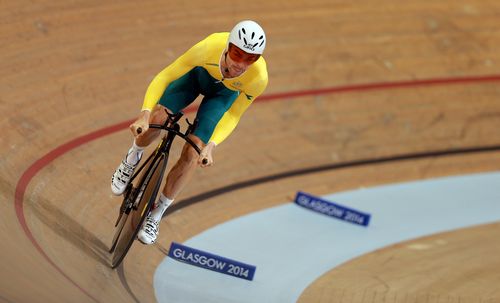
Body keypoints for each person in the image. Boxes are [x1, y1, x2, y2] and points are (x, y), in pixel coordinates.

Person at [111, 20, 269, 245]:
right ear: (227, 46)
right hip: (196, 79)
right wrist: (145, 113)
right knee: (158, 119)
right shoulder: (209, 47)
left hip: (221, 98)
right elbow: (165, 76)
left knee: (193, 153)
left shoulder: (258, 78)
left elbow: (233, 115)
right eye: (237, 53)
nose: (241, 64)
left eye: (250, 58)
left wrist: (211, 146)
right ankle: (131, 158)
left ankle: (156, 214)